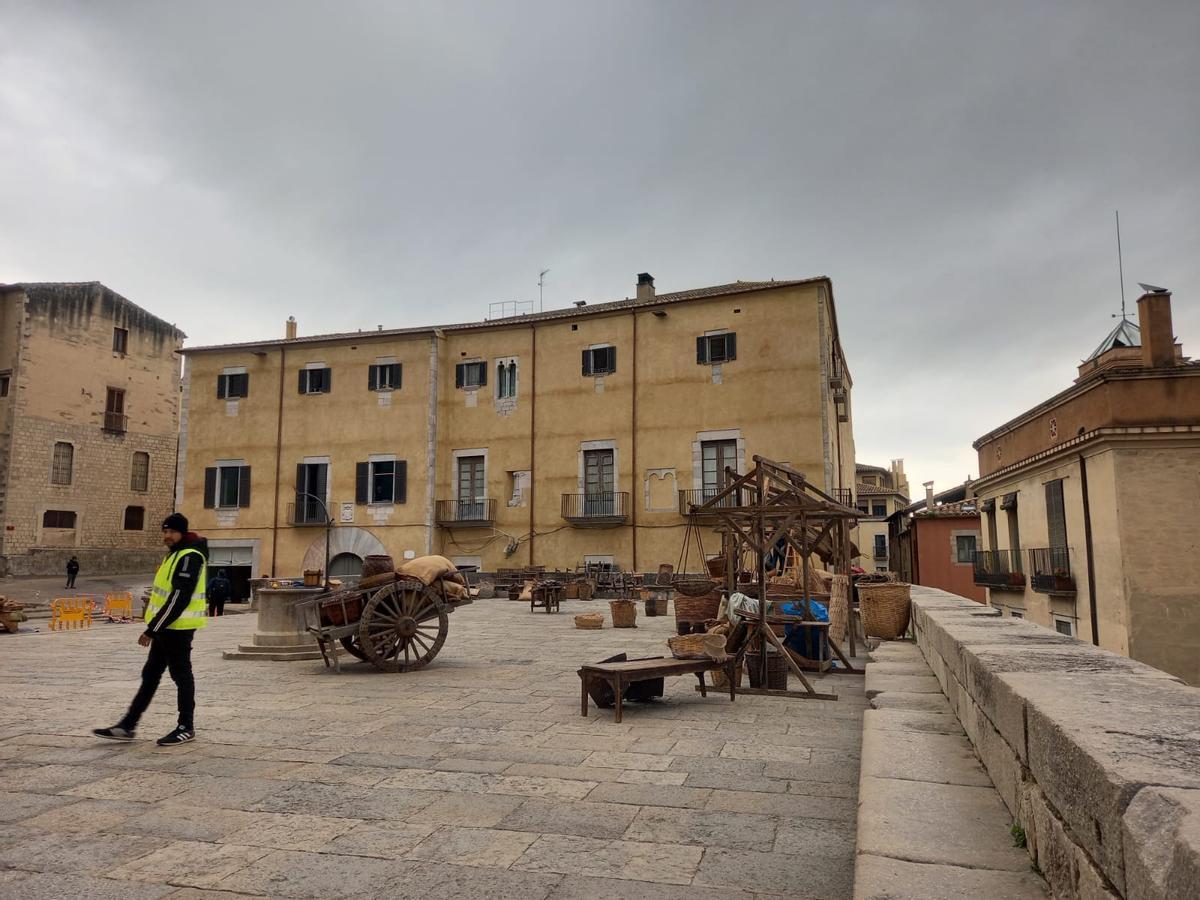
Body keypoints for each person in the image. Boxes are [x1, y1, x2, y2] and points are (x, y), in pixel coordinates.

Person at [93, 513, 207, 746]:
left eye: (171, 531)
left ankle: (186, 726)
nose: (167, 536)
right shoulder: (174, 554)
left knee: (181, 675)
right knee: (151, 675)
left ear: (182, 532)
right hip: (166, 627)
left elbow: (179, 598)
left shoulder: (189, 556)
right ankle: (127, 725)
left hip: (178, 627)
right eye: (165, 532)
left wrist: (152, 629)